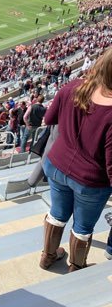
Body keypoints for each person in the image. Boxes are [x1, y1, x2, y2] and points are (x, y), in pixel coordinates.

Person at [39, 48, 112, 272]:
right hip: (89, 180)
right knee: (82, 227)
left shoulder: (73, 86)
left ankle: (48, 256)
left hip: (57, 163)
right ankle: (76, 267)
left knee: (57, 213)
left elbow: (49, 119)